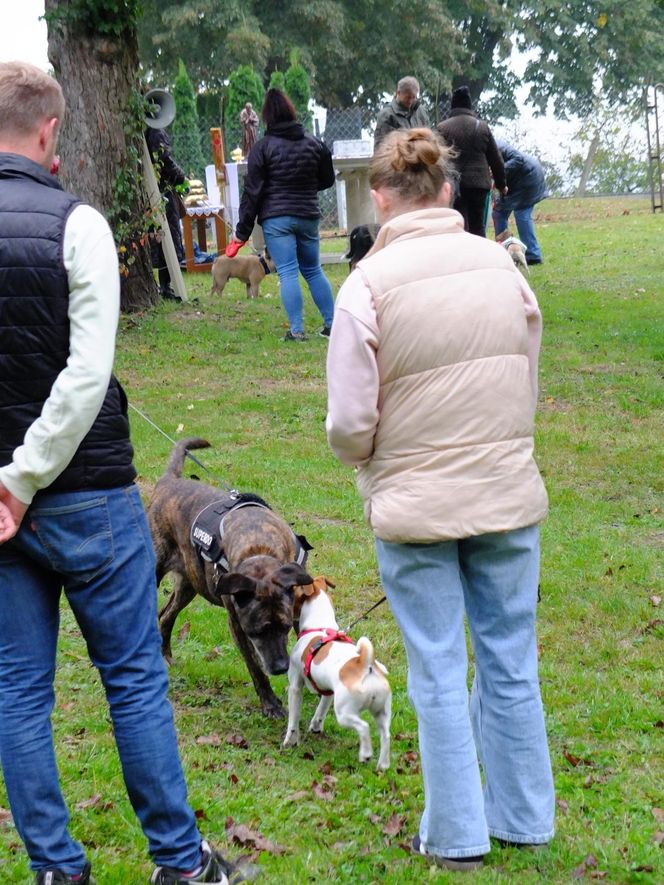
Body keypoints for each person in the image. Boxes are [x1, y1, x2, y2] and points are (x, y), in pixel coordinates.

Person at [0, 61, 243, 885]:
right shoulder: (79, 225)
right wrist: (24, 475)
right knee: (135, 681)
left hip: (4, 503)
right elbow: (85, 372)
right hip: (87, 498)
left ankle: (54, 870)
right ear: (50, 131)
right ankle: (181, 864)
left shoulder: (78, 224)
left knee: (19, 693)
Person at [326, 128, 555, 872]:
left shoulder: (365, 286)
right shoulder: (503, 266)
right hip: (503, 487)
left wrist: (369, 461)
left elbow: (350, 423)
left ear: (383, 197)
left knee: (435, 665)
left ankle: (458, 830)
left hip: (415, 499)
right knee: (510, 658)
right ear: (449, 192)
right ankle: (523, 815)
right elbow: (525, 378)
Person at [226, 88, 335, 341]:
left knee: (287, 271)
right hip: (308, 214)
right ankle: (333, 325)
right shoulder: (315, 144)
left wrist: (241, 233)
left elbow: (253, 193)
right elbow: (327, 179)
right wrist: (305, 190)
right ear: (291, 112)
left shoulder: (262, 148)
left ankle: (297, 331)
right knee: (313, 270)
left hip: (277, 219)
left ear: (266, 117)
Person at [436, 85, 506, 237]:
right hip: (479, 185)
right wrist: (501, 185)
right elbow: (496, 159)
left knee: (459, 224)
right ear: (469, 105)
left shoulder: (443, 128)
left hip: (455, 185)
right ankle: (479, 258)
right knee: (477, 225)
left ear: (453, 106)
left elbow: (436, 159)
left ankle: (461, 257)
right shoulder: (482, 127)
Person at [145, 123, 186, 300]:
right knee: (167, 238)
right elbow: (164, 160)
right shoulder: (156, 131)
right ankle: (166, 286)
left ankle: (165, 286)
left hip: (153, 189)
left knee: (161, 238)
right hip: (163, 190)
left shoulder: (147, 131)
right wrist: (180, 176)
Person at [493, 139, 549, 265]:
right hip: (518, 180)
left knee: (520, 214)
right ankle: (505, 248)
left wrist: (498, 170)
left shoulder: (498, 146)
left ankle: (532, 254)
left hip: (529, 177)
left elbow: (518, 159)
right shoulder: (488, 149)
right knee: (499, 211)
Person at [373, 76, 430, 149]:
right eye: (408, 97)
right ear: (398, 92)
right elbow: (381, 146)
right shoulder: (387, 115)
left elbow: (429, 137)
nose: (410, 101)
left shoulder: (421, 111)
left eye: (414, 97)